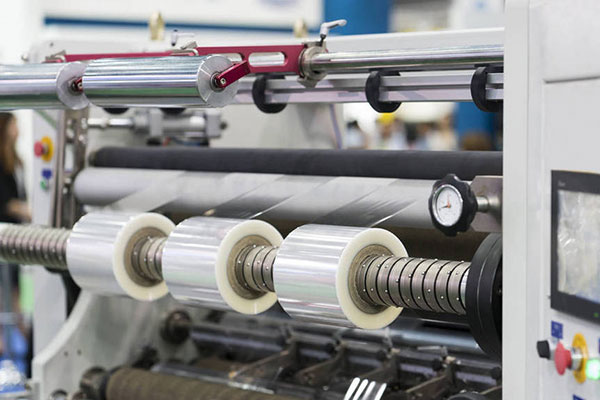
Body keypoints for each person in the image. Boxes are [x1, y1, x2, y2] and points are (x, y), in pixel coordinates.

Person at [0, 113, 29, 223]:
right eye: (13, 125)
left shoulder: (17, 160)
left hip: (17, 223)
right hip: (4, 224)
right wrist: (27, 210)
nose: (17, 129)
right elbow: (5, 202)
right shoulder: (2, 162)